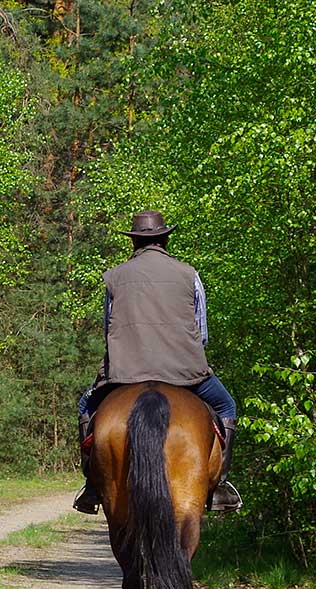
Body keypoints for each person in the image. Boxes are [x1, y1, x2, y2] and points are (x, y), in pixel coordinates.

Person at [74, 211, 241, 515]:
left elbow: (109, 328)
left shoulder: (114, 277)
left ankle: (92, 486)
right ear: (165, 239)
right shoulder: (188, 273)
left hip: (124, 372)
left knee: (85, 407)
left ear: (134, 242)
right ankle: (220, 487)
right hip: (185, 370)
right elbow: (201, 333)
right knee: (227, 406)